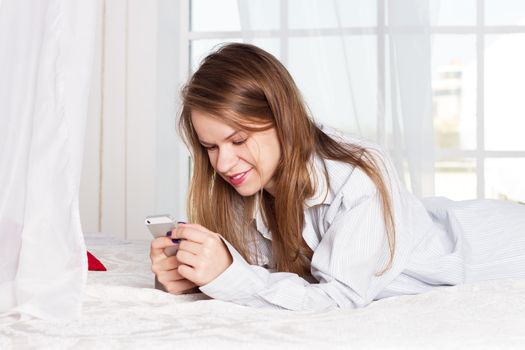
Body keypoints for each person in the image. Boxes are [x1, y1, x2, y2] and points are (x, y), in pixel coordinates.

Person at [150, 42, 525, 311]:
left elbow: (338, 297)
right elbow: (261, 276)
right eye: (211, 148)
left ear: (282, 120)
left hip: (493, 245)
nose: (225, 163)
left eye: (238, 139)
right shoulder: (244, 185)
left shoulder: (356, 175)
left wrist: (229, 275)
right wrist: (194, 275)